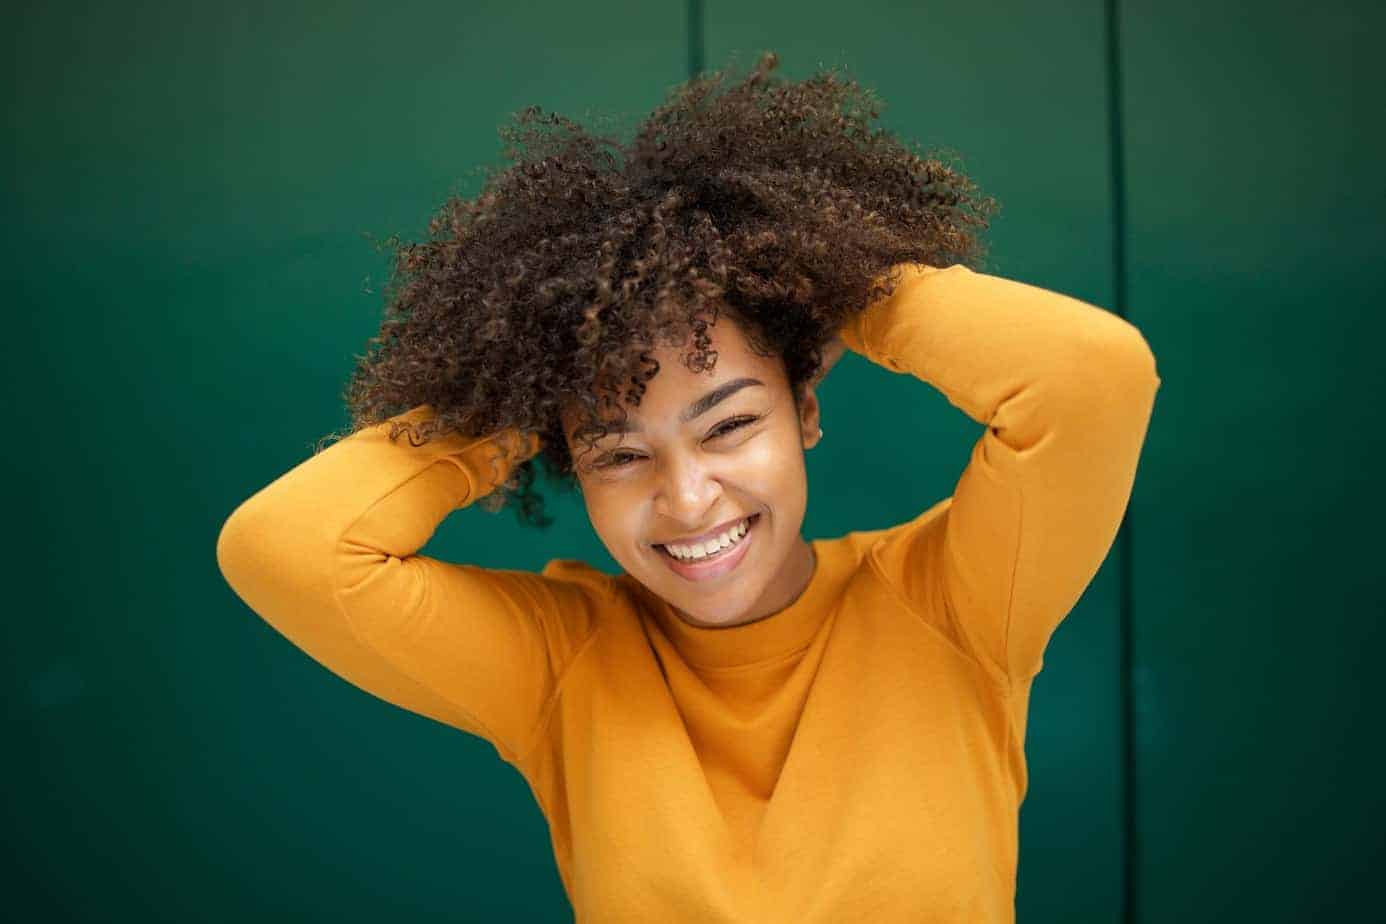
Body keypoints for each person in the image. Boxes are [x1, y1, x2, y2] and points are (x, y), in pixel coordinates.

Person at [215, 51, 1160, 923]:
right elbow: (288, 549)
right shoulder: (565, 666)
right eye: (620, 453)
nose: (689, 498)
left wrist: (825, 289)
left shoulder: (954, 604)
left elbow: (1093, 378)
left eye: (731, 424)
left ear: (807, 413)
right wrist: (518, 395)